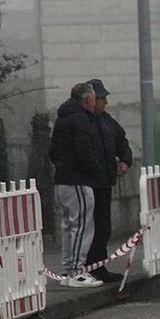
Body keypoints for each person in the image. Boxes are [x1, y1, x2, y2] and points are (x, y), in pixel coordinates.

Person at [48, 82, 106, 286]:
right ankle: (77, 271)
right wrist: (97, 173)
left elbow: (53, 151)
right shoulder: (81, 119)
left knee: (68, 224)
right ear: (88, 99)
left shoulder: (62, 118)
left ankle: (68, 270)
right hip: (78, 179)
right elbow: (85, 151)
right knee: (82, 225)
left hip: (63, 179)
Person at [85, 79, 133, 283]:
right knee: (89, 227)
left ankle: (99, 265)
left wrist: (125, 160)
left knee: (103, 227)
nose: (105, 103)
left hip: (104, 182)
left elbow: (122, 141)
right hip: (87, 183)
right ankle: (88, 266)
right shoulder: (82, 121)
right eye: (101, 99)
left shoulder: (107, 121)